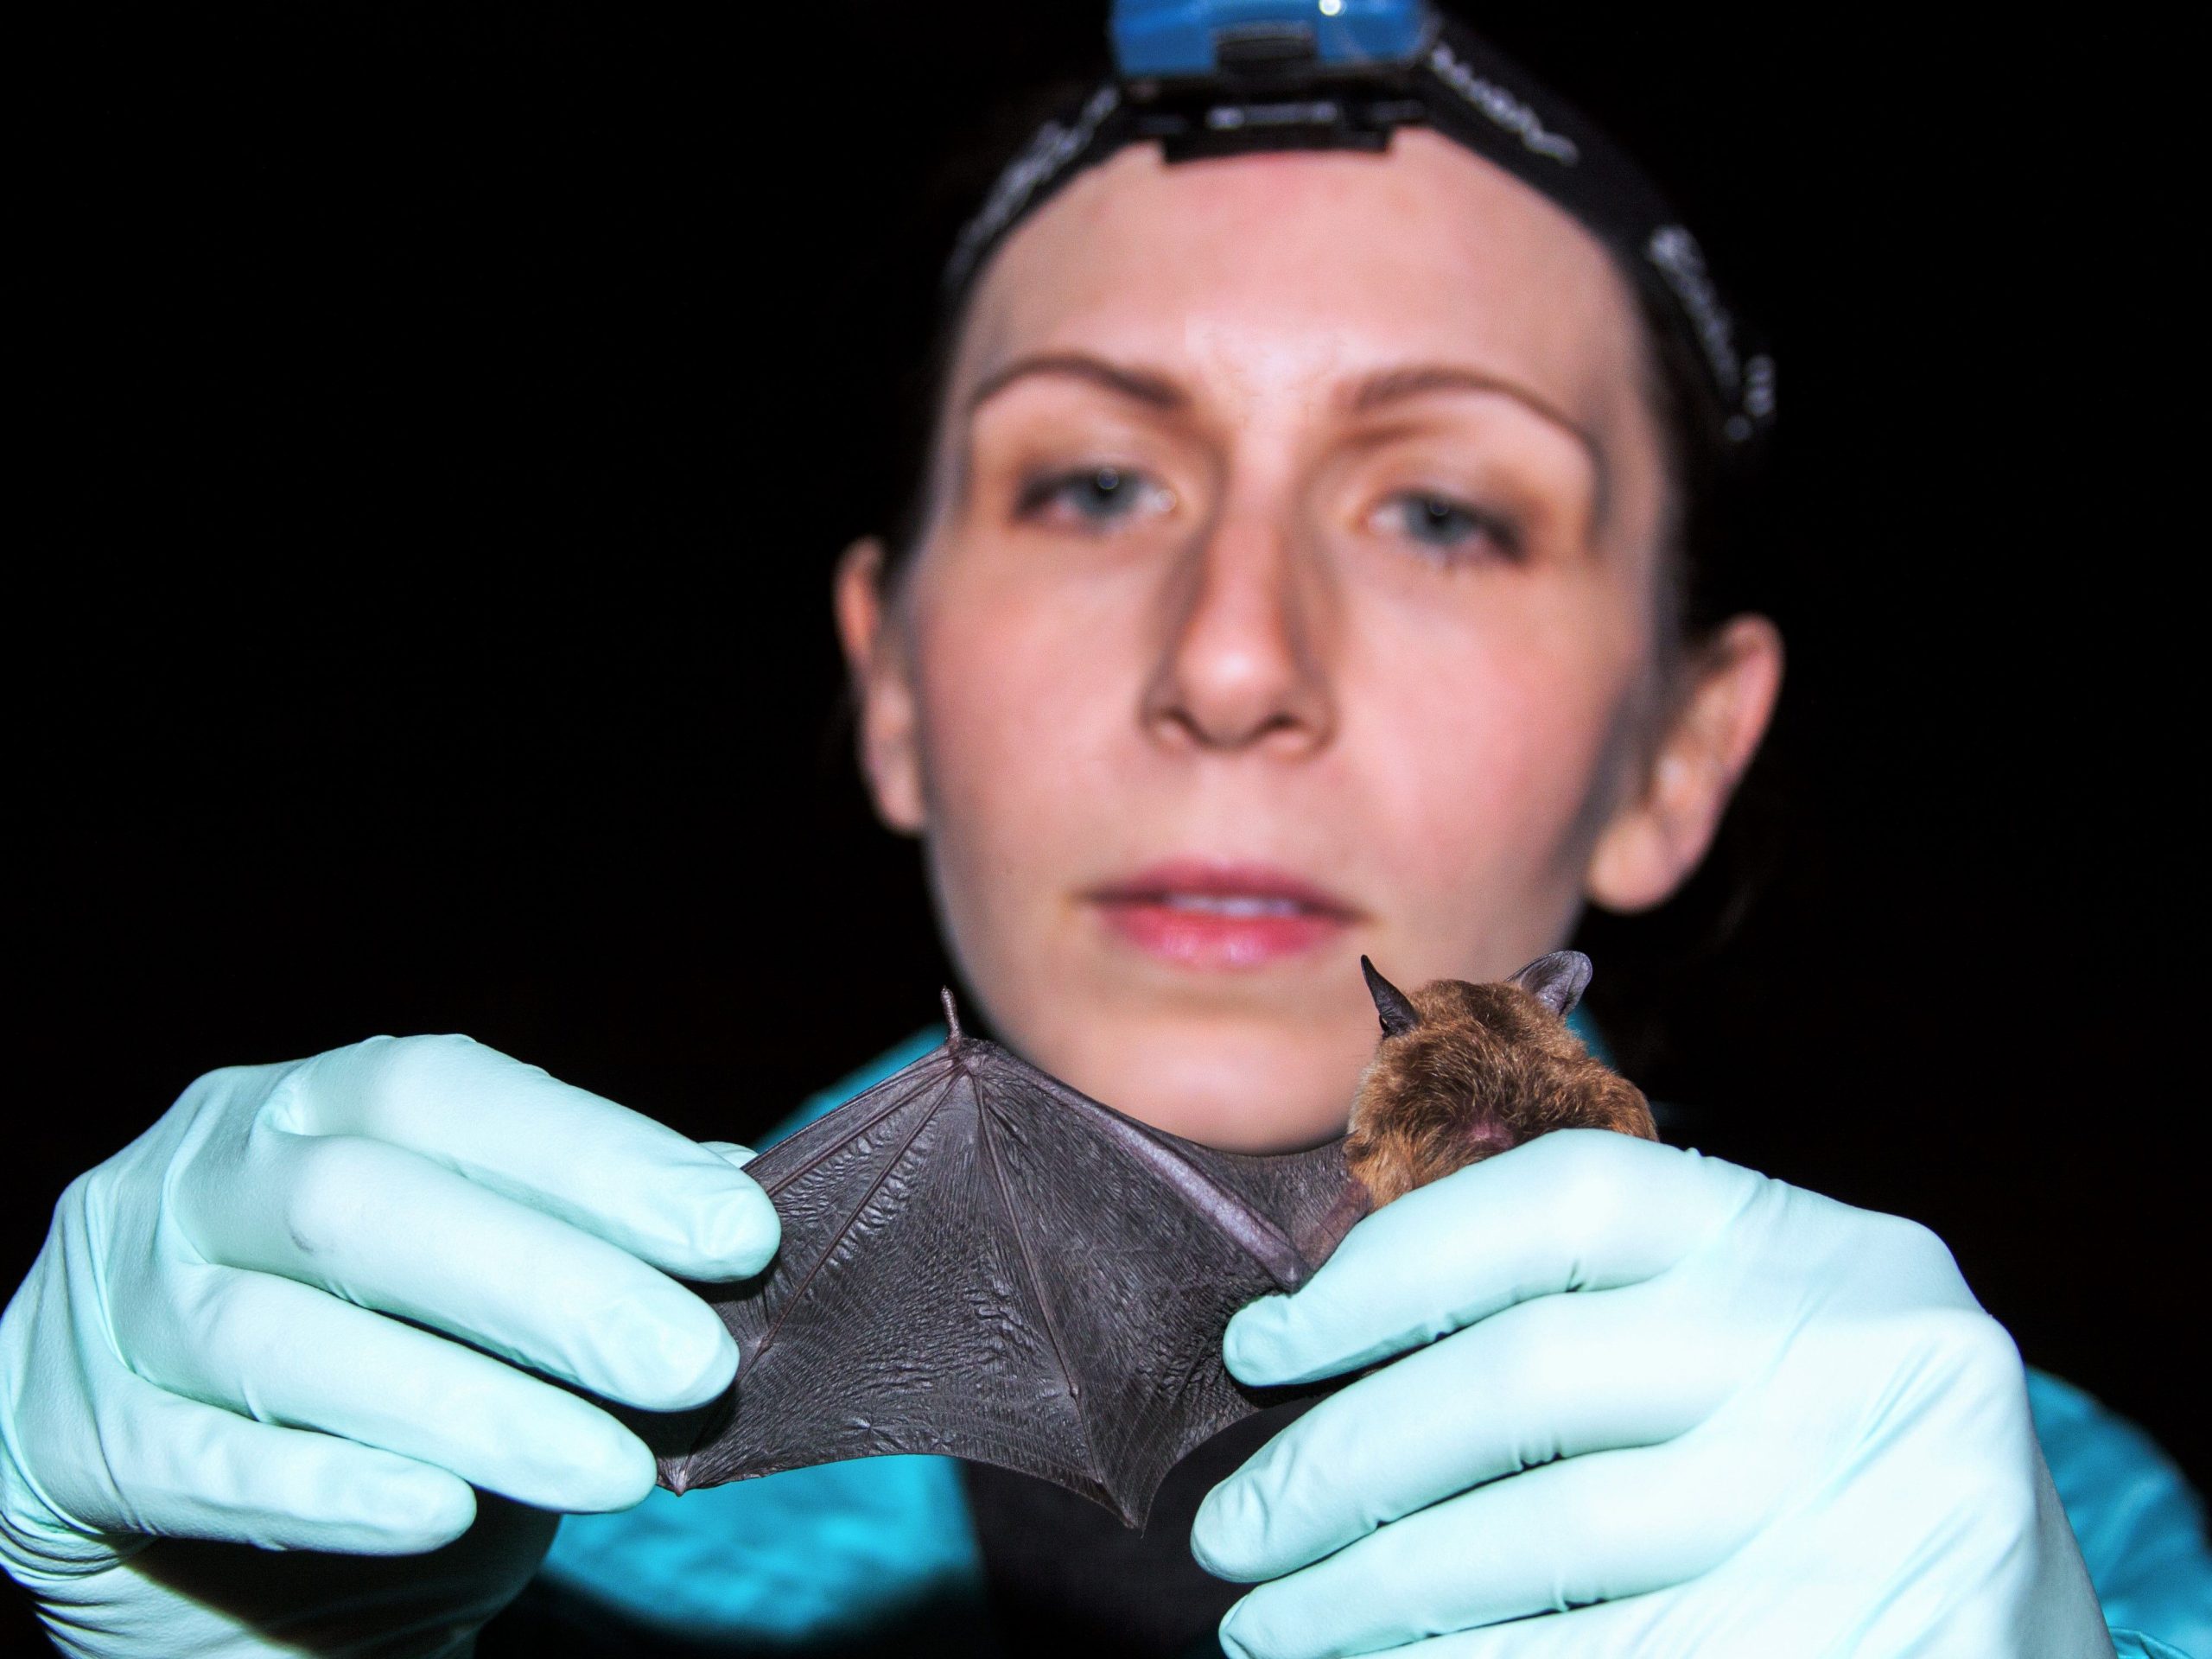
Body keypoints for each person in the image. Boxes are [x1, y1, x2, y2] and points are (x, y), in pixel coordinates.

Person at [4, 9, 2207, 1657]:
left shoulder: (2029, 1540)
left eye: (1441, 509)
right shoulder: (547, 1507)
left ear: (1678, 755)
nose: (1231, 657)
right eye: (1090, 484)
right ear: (886, 684)